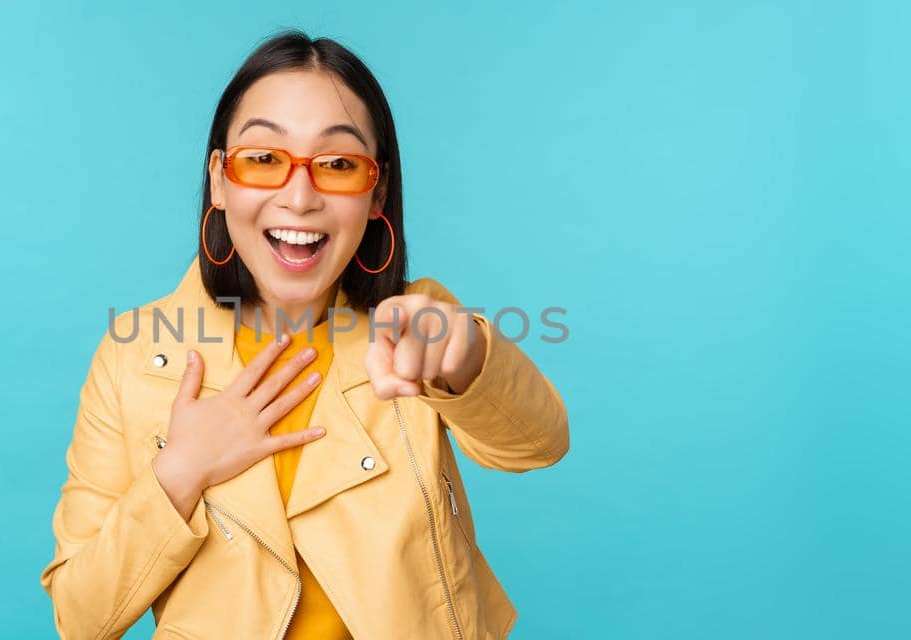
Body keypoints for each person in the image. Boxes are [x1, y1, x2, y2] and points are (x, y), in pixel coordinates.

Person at [40, 30, 569, 640]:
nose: (299, 197)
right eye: (263, 159)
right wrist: (179, 472)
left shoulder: (416, 324)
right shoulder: (133, 354)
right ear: (219, 178)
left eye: (338, 164)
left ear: (379, 191)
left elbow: (540, 443)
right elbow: (79, 619)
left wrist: (469, 356)